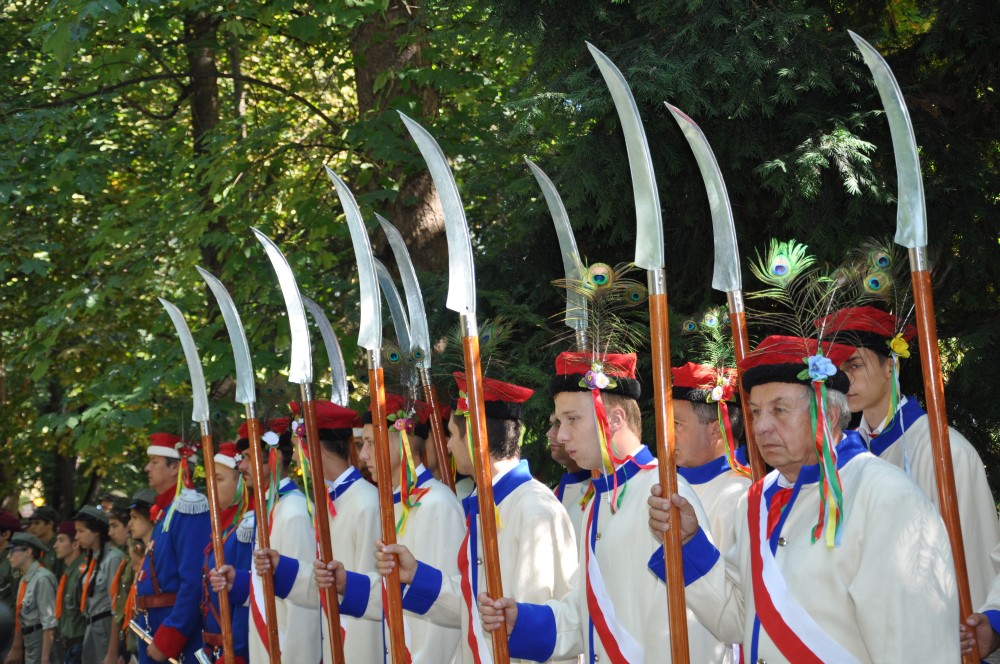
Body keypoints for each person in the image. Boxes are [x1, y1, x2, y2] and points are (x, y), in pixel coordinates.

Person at [646, 335, 960, 662]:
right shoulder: (754, 502)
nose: (762, 426)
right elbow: (738, 620)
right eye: (755, 412)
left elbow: (917, 648)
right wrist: (688, 543)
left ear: (829, 414)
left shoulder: (885, 497)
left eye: (779, 410)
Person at [477, 352, 720, 663]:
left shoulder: (663, 492)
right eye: (560, 422)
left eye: (572, 419)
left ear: (615, 419)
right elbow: (588, 612)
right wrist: (521, 622)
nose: (562, 436)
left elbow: (695, 625)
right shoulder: (599, 501)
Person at [366, 374, 579, 664]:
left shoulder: (533, 507)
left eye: (453, 435)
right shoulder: (489, 502)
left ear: (477, 438)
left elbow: (534, 627)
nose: (449, 446)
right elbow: (473, 605)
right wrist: (416, 575)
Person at [820, 305, 1000, 609]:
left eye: (855, 366)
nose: (844, 379)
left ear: (889, 366)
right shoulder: (842, 455)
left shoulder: (944, 451)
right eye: (837, 369)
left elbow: (974, 555)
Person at [252, 400, 384, 662]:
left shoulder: (366, 503)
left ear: (309, 448)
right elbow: (327, 584)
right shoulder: (331, 500)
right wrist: (283, 568)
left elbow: (371, 594)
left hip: (359, 649)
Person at [209, 416, 321, 664]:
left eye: (248, 457)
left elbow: (303, 601)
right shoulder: (273, 506)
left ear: (276, 457)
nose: (241, 466)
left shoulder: (293, 511)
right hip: (270, 646)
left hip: (288, 652)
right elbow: (274, 582)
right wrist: (237, 583)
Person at [134, 433, 211, 663]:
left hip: (173, 633)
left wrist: (171, 636)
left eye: (154, 462)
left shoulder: (189, 508)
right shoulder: (168, 510)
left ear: (175, 467)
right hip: (155, 624)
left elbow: (194, 581)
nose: (147, 468)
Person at [672, 362, 752, 556]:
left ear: (716, 430)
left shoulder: (740, 495)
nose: (668, 436)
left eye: (677, 424)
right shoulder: (671, 483)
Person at [200, 442, 250, 664]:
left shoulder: (246, 527)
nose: (210, 486)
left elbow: (245, 599)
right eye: (209, 480)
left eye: (218, 479)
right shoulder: (223, 527)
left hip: (235, 651)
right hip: (214, 647)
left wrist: (235, 653)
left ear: (241, 482)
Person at [73, 506, 126, 664]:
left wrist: (112, 652)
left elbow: (117, 608)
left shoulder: (113, 559)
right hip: (91, 628)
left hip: (106, 629)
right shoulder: (92, 559)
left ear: (96, 531)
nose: (76, 536)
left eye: (81, 531)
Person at [5, 532, 57, 664]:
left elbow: (48, 622)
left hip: (40, 639)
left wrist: (45, 658)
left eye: (12, 551)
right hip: (29, 640)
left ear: (28, 551)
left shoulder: (42, 579)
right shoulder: (25, 578)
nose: (8, 556)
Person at [548, 412, 591, 546]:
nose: (549, 434)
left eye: (558, 425)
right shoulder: (553, 494)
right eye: (552, 425)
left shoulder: (608, 493)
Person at [53, 522, 87, 664]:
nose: (55, 546)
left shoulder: (82, 572)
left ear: (75, 544)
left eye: (61, 540)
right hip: (67, 645)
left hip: (80, 644)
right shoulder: (67, 572)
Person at [0, 511, 23, 629]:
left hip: (7, 627)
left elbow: (18, 602)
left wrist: (16, 640)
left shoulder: (13, 561)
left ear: (6, 534)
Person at [27, 507, 61, 578]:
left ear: (50, 524)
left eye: (37, 523)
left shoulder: (59, 547)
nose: (32, 527)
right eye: (31, 523)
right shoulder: (35, 547)